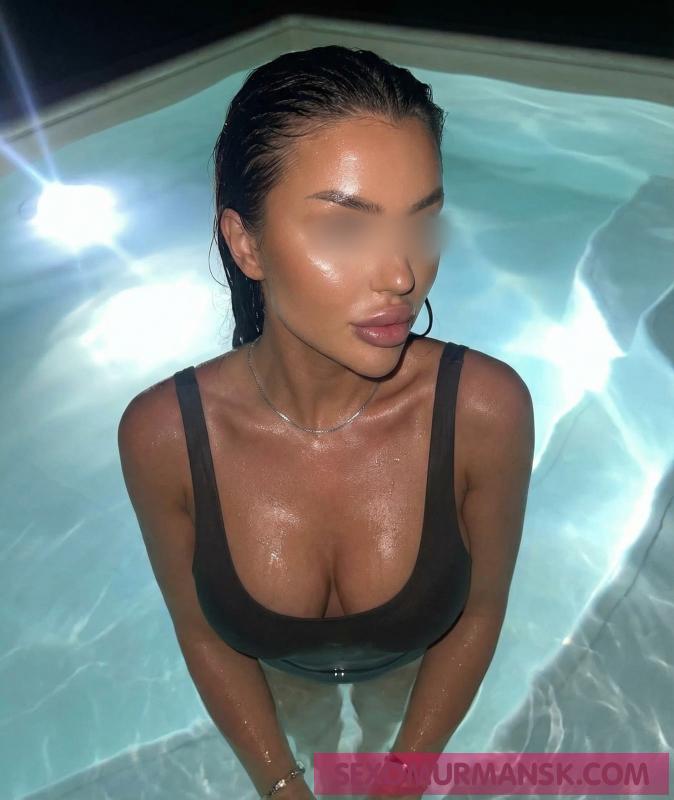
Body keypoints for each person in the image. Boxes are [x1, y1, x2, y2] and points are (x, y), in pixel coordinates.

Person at [117, 45, 535, 800]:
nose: (403, 274)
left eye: (423, 222)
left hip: (410, 667)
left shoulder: (484, 410)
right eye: (345, 228)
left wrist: (402, 782)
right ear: (247, 243)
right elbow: (203, 631)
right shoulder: (164, 437)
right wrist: (281, 786)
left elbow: (480, 610)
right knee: (306, 736)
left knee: (381, 734)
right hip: (280, 676)